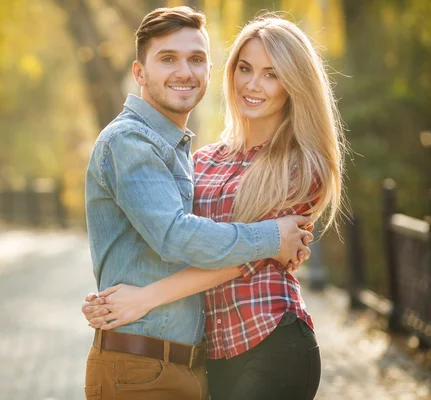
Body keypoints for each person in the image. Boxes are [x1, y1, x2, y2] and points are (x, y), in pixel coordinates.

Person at [84, 13, 345, 400]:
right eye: (245, 68)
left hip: (272, 338)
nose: (253, 84)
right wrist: (113, 296)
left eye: (272, 74)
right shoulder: (202, 160)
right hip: (212, 355)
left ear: (293, 85)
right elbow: (187, 242)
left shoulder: (300, 165)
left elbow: (244, 259)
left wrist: (144, 298)